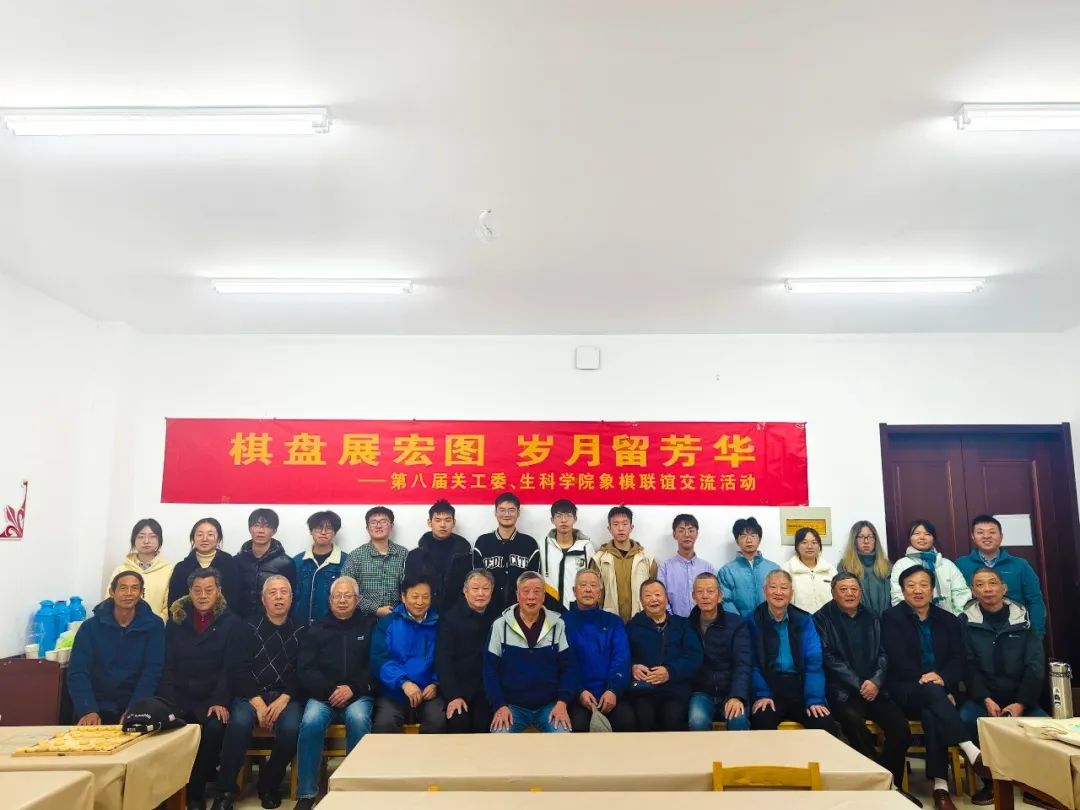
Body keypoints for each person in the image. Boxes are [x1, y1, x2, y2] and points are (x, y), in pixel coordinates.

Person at [882, 567, 988, 810]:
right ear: (903, 591)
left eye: (923, 584)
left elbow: (958, 659)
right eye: (911, 585)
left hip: (942, 691)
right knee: (932, 693)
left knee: (932, 714)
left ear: (932, 590)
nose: (917, 590)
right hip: (906, 689)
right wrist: (934, 683)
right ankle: (969, 749)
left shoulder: (948, 619)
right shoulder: (891, 618)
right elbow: (897, 660)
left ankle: (941, 788)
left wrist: (943, 680)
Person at [814, 573, 915, 803]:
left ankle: (890, 785)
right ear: (833, 593)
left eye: (854, 589)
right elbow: (828, 656)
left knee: (901, 728)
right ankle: (877, 788)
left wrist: (876, 681)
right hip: (843, 692)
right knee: (854, 725)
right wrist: (859, 683)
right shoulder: (821, 618)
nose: (849, 593)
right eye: (843, 589)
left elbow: (884, 652)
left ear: (861, 592)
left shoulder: (873, 616)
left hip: (876, 689)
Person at [212, 575, 304, 810]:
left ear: (292, 598)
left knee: (292, 729)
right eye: (272, 593)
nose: (279, 597)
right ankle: (225, 792)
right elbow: (238, 669)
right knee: (238, 724)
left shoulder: (303, 629)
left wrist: (285, 698)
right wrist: (258, 703)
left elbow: (304, 670)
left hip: (286, 697)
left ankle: (269, 785)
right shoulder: (246, 627)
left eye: (284, 592)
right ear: (263, 600)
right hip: (251, 695)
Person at [158, 568, 247, 810]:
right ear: (189, 592)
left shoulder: (232, 623)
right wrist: (169, 700)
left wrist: (220, 700)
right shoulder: (176, 621)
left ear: (219, 591)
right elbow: (167, 665)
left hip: (211, 697)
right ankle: (174, 793)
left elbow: (230, 668)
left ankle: (195, 793)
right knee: (171, 730)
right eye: (197, 590)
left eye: (209, 589)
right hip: (179, 696)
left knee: (214, 728)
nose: (203, 595)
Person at [960, 567, 1048, 805]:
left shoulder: (1023, 619)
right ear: (973, 591)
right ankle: (991, 783)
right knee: (965, 720)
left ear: (1004, 588)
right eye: (980, 585)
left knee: (1045, 727)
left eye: (993, 583)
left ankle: (1036, 786)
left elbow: (1035, 665)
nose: (987, 589)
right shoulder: (966, 622)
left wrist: (1021, 703)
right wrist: (985, 699)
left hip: (1021, 697)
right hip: (984, 698)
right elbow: (968, 666)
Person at [294, 577, 376, 810]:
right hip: (323, 695)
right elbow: (305, 669)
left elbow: (375, 666)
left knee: (358, 719)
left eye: (348, 596)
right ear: (330, 600)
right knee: (310, 721)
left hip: (357, 694)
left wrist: (353, 689)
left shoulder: (369, 627)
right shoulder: (316, 628)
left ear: (357, 599)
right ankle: (306, 793)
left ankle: (354, 789)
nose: (342, 600)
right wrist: (330, 690)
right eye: (337, 596)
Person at [745, 570, 840, 736]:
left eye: (784, 587)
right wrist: (761, 694)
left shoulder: (805, 620)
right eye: (773, 587)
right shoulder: (752, 620)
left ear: (791, 593)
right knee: (762, 723)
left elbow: (813, 664)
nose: (778, 592)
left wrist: (814, 699)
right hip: (768, 688)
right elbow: (751, 664)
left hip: (800, 688)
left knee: (825, 725)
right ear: (765, 591)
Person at [483, 571, 578, 733]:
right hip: (512, 707)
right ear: (517, 595)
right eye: (526, 591)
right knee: (499, 739)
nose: (531, 597)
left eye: (537, 591)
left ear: (544, 596)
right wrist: (499, 705)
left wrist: (562, 702)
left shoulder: (558, 625)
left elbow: (569, 668)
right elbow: (489, 669)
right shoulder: (500, 626)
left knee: (563, 739)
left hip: (549, 706)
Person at [69, 571, 165, 726]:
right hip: (96, 705)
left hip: (135, 703)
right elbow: (78, 671)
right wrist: (87, 710)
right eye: (123, 588)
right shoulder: (90, 627)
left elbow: (152, 671)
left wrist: (134, 710)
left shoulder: (154, 625)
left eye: (134, 588)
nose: (129, 593)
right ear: (112, 592)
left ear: (141, 593)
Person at [625, 579, 703, 731]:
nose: (653, 599)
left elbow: (694, 656)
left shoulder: (682, 625)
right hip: (643, 690)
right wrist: (633, 667)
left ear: (666, 598)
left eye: (657, 594)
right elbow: (623, 655)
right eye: (648, 596)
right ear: (641, 601)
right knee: (643, 720)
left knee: (673, 720)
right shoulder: (632, 627)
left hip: (675, 689)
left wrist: (669, 672)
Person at [562, 568, 634, 732]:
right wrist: (579, 691)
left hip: (611, 694)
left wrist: (612, 690)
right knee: (578, 726)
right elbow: (564, 664)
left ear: (600, 592)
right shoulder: (563, 623)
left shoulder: (614, 622)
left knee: (627, 722)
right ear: (574, 591)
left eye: (593, 585)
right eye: (583, 585)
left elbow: (621, 658)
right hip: (577, 695)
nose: (588, 589)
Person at [371, 577, 446, 733]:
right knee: (385, 723)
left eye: (425, 597)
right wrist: (404, 683)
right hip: (394, 691)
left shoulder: (440, 624)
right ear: (403, 597)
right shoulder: (388, 623)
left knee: (437, 722)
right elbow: (379, 659)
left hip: (428, 692)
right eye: (415, 596)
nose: (420, 602)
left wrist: (435, 683)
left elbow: (446, 658)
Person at [955, 514, 1047, 638]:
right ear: (973, 537)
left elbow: (1035, 600)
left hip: (1016, 631)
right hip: (975, 632)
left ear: (1001, 536)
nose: (986, 536)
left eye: (992, 532)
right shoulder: (961, 564)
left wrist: (1037, 634)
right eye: (980, 532)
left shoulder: (1020, 565)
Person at [437, 569, 501, 734]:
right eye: (475, 588)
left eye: (485, 588)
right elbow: (443, 661)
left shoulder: (498, 618)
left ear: (492, 591)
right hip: (458, 689)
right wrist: (453, 696)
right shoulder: (450, 619)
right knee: (459, 722)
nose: (480, 593)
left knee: (485, 725)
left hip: (486, 690)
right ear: (465, 591)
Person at [687, 573, 751, 732]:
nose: (705, 596)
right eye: (700, 592)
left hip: (731, 691)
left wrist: (737, 696)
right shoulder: (686, 625)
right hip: (701, 692)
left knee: (738, 721)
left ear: (720, 596)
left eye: (710, 591)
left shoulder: (737, 624)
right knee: (697, 721)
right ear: (693, 597)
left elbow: (743, 663)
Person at [473, 492, 541, 612]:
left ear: (518, 513)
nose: (506, 514)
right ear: (496, 513)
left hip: (520, 610)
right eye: (502, 510)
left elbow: (534, 581)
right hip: (487, 610)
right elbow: (476, 580)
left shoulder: (530, 543)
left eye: (511, 510)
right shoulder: (482, 542)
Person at [403, 500, 473, 613]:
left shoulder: (465, 555)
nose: (443, 525)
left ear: (454, 523)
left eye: (447, 520)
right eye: (438, 520)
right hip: (424, 613)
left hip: (457, 614)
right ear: (429, 522)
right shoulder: (415, 556)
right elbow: (409, 587)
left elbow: (470, 587)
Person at [889, 519, 971, 616]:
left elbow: (961, 592)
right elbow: (898, 596)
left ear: (933, 538)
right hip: (911, 620)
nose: (922, 537)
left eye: (927, 534)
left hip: (948, 620)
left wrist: (955, 618)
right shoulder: (901, 564)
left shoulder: (947, 564)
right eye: (916, 533)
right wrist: (913, 619)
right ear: (909, 538)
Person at [591, 506, 657, 621]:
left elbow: (654, 592)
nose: (620, 528)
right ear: (609, 528)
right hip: (609, 622)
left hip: (641, 621)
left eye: (625, 524)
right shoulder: (599, 559)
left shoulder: (646, 559)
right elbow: (595, 595)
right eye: (616, 524)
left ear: (631, 527)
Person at [342, 506, 408, 618]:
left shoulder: (403, 554)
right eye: (373, 522)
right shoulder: (355, 556)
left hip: (398, 617)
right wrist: (375, 609)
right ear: (367, 527)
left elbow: (410, 587)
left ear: (391, 526)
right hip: (363, 618)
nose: (378, 526)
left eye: (383, 521)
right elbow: (346, 590)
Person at [234, 508, 296, 620]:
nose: (261, 531)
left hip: (272, 622)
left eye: (266, 526)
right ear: (250, 529)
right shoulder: (237, 561)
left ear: (274, 531)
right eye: (256, 525)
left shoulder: (286, 563)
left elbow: (292, 597)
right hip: (241, 621)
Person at [108, 518, 174, 621]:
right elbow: (109, 601)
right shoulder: (121, 570)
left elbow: (169, 606)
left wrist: (156, 625)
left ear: (159, 540)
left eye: (152, 536)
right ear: (134, 540)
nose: (146, 541)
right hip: (122, 626)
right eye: (141, 537)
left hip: (155, 627)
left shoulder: (169, 570)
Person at [167, 518, 240, 610]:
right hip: (189, 618)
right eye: (200, 535)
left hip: (225, 618)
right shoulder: (181, 568)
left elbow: (236, 600)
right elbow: (174, 603)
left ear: (218, 538)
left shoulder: (230, 565)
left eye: (210, 534)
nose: (204, 539)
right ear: (193, 538)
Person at [291, 510, 345, 627]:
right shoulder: (297, 562)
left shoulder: (346, 562)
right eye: (318, 528)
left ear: (335, 533)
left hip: (333, 627)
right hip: (300, 627)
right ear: (311, 531)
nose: (323, 532)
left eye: (328, 529)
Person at [657, 514, 716, 618]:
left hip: (703, 623)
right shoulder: (664, 568)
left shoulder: (707, 567)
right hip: (674, 623)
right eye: (681, 530)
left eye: (691, 530)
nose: (687, 535)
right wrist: (673, 621)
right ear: (674, 534)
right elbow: (661, 598)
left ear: (697, 534)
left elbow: (714, 597)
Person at [718, 516, 779, 616]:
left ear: (759, 539)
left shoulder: (774, 569)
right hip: (740, 623)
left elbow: (780, 596)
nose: (749, 540)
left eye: (753, 535)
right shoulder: (726, 571)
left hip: (770, 623)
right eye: (743, 536)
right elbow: (725, 600)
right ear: (737, 541)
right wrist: (739, 622)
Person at [540, 498, 594, 611]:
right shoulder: (542, 546)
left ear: (575, 519)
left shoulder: (586, 547)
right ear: (552, 520)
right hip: (549, 611)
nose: (563, 520)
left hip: (577, 610)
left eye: (568, 515)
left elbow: (593, 581)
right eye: (559, 516)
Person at [837, 521, 893, 617]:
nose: (866, 541)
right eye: (861, 537)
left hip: (886, 619)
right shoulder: (845, 566)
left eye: (870, 537)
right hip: (857, 619)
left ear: (875, 540)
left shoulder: (887, 566)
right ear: (854, 540)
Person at [782, 527, 836, 614]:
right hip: (799, 619)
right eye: (804, 542)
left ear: (819, 546)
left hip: (827, 619)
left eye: (814, 542)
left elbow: (837, 596)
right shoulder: (787, 569)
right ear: (797, 546)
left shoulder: (830, 569)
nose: (809, 546)